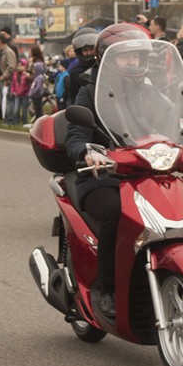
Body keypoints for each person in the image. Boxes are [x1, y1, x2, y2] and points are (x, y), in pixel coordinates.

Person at [64, 23, 152, 318]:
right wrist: (87, 153)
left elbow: (173, 121)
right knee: (117, 213)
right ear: (109, 59)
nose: (132, 63)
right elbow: (76, 135)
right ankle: (106, 287)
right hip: (103, 176)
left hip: (142, 174)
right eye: (125, 57)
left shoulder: (150, 91)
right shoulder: (91, 91)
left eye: (137, 57)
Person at [67, 27, 98, 105]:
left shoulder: (104, 67)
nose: (89, 53)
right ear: (79, 52)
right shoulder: (75, 71)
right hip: (85, 108)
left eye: (92, 49)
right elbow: (72, 95)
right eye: (85, 50)